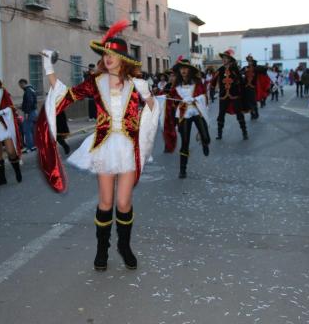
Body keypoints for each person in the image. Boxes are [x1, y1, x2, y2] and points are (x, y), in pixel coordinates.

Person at [35, 20, 159, 271]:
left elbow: (153, 112)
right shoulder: (95, 82)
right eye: (106, 54)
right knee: (105, 202)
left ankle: (124, 248)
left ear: (123, 59)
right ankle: (102, 250)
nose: (108, 58)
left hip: (128, 147)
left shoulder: (135, 84)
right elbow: (64, 96)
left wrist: (147, 95)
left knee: (123, 203)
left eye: (113, 54)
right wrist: (48, 66)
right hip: (105, 145)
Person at [164, 57, 210, 179]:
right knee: (185, 142)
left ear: (190, 70)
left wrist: (195, 99)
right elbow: (170, 100)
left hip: (196, 111)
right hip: (184, 114)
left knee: (206, 137)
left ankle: (204, 143)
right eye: (181, 68)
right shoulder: (175, 86)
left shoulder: (197, 83)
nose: (183, 70)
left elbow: (204, 97)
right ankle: (182, 170)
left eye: (186, 68)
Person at [212, 49, 248, 139]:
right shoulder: (220, 70)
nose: (224, 60)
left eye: (226, 58)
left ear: (230, 59)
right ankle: (219, 134)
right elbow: (213, 80)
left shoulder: (235, 69)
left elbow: (241, 80)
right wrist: (211, 87)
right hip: (223, 95)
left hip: (234, 94)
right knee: (221, 114)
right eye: (223, 58)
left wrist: (237, 82)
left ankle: (244, 132)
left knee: (239, 113)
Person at [18, 78, 38, 153]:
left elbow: (30, 102)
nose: (20, 86)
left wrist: (26, 112)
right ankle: (35, 145)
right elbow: (30, 102)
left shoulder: (28, 91)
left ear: (22, 83)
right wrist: (22, 106)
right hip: (34, 112)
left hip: (30, 113)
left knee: (27, 129)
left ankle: (30, 147)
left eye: (20, 85)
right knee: (32, 129)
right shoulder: (32, 89)